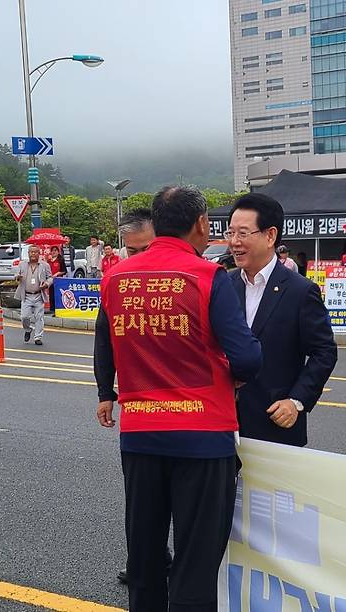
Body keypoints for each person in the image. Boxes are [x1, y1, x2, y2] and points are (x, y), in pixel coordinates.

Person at [94, 185, 261, 612]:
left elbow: (107, 346)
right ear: (202, 224)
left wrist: (108, 390)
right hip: (203, 440)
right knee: (195, 561)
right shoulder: (208, 277)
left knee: (145, 556)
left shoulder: (114, 279)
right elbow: (246, 357)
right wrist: (234, 375)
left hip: (141, 437)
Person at [227, 193, 337, 447]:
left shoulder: (300, 290)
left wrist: (296, 401)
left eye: (243, 233)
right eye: (230, 233)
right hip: (225, 425)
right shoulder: (225, 285)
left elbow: (324, 352)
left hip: (275, 424)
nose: (234, 242)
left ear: (270, 236)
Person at [112, 207, 160, 587]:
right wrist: (102, 391)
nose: (139, 259)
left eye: (146, 249)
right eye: (132, 252)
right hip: (140, 416)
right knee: (143, 502)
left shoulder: (194, 280)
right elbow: (102, 337)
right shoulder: (117, 282)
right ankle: (146, 562)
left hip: (194, 415)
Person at [15, 245, 52, 346]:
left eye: (35, 252)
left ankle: (38, 337)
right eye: (31, 252)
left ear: (39, 253)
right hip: (26, 295)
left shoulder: (44, 265)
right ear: (28, 253)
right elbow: (15, 275)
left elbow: (50, 278)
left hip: (39, 295)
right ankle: (28, 329)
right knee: (24, 317)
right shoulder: (22, 264)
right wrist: (18, 277)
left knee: (39, 317)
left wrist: (46, 284)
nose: (33, 254)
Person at [47, 245, 67, 316]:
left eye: (55, 250)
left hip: (58, 280)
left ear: (58, 252)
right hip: (50, 280)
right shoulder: (49, 260)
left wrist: (57, 273)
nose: (54, 252)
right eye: (52, 251)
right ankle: (52, 309)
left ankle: (57, 309)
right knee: (51, 294)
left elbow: (64, 271)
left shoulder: (60, 260)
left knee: (57, 295)